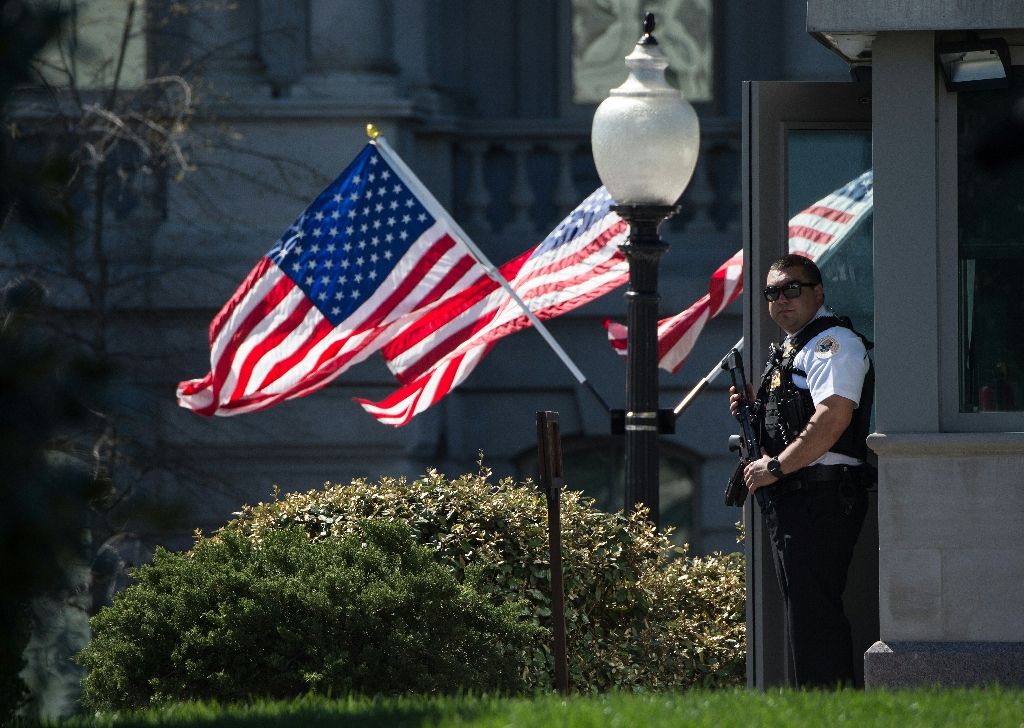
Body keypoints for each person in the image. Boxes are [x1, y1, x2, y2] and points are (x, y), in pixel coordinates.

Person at [730, 253, 873, 688]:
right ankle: (820, 706)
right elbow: (795, 417)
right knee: (805, 611)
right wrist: (755, 411)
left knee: (814, 613)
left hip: (823, 496)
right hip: (799, 497)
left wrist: (775, 465)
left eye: (793, 288)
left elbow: (832, 418)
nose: (781, 299)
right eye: (772, 292)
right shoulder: (795, 349)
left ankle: (830, 709)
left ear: (818, 293)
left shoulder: (832, 344)